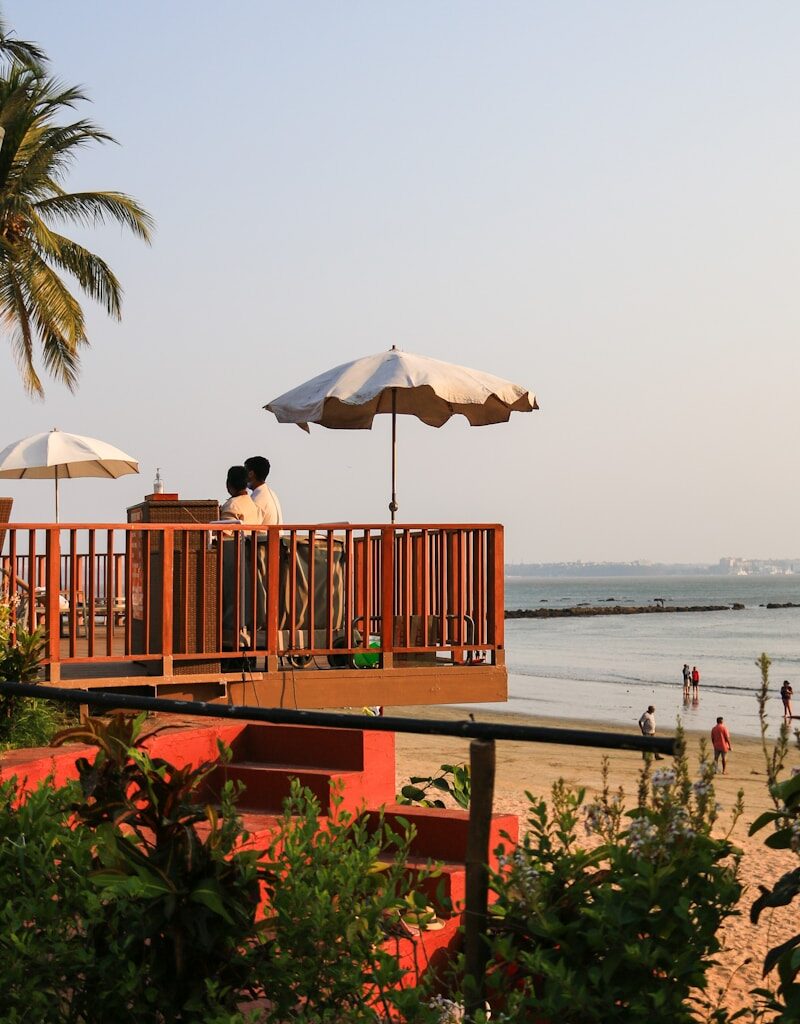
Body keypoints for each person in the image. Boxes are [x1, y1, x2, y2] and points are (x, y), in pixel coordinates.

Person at [244, 455, 283, 525]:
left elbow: (249, 528)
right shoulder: (269, 493)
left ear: (251, 474)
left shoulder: (257, 499)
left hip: (264, 536)